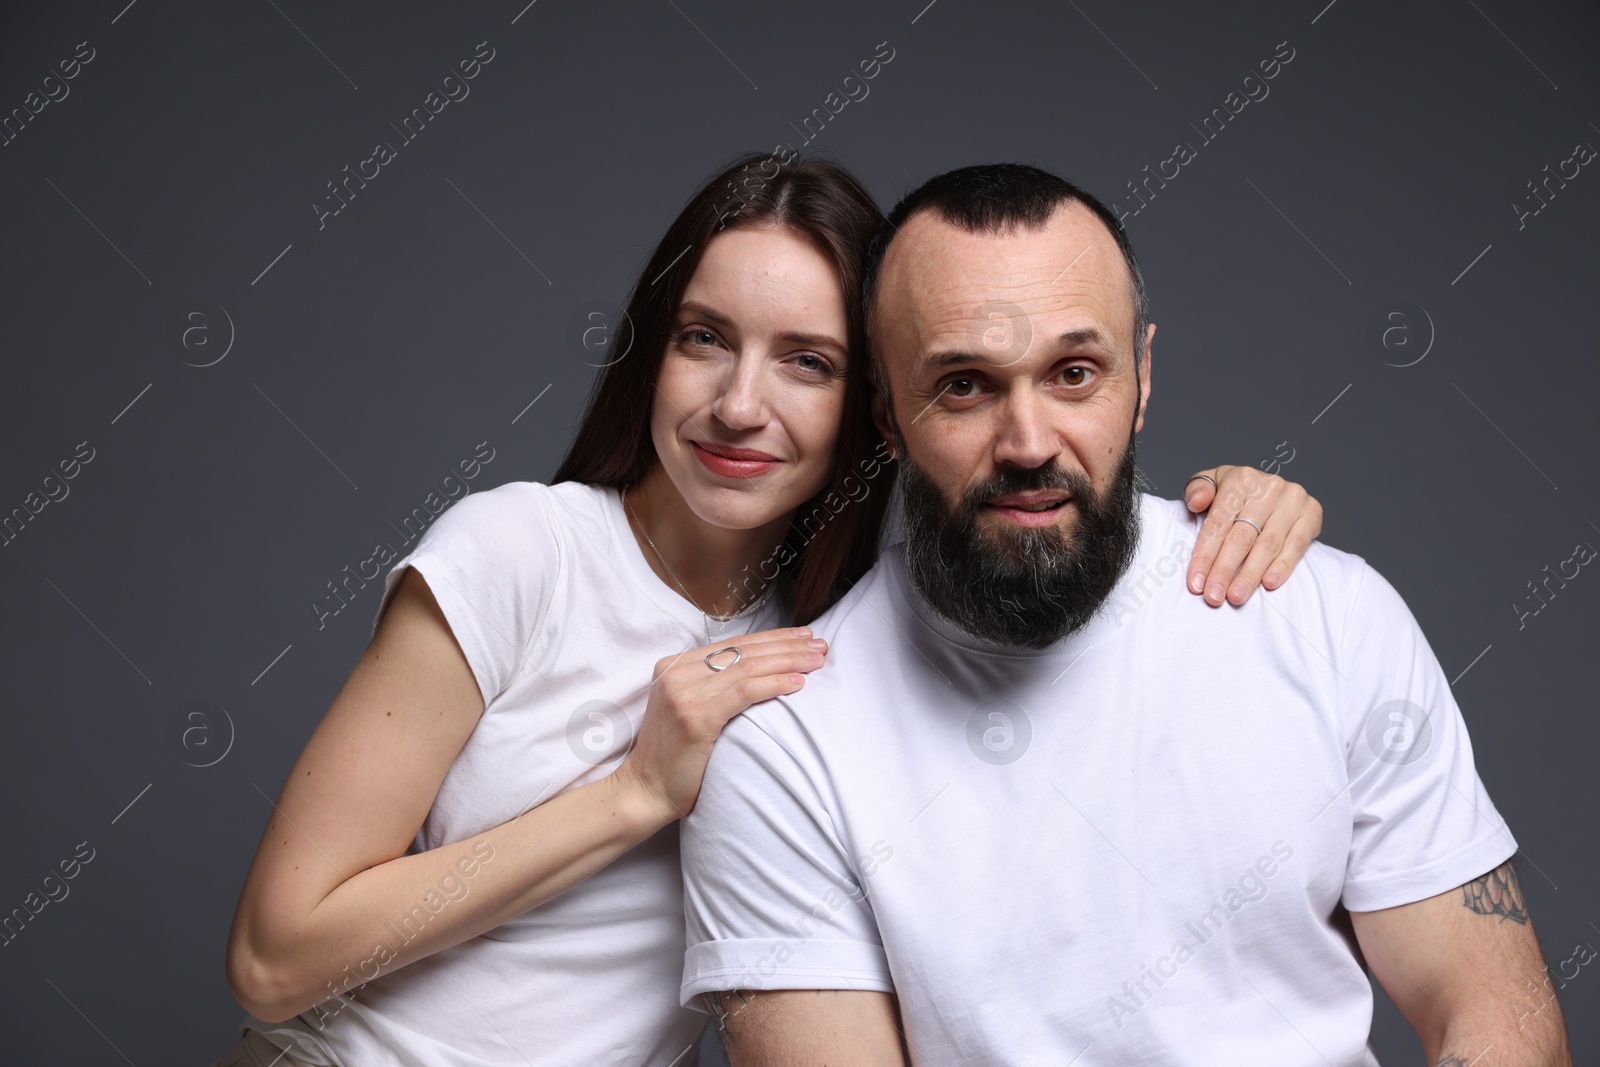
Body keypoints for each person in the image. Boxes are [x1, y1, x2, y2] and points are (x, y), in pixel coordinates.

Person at [216, 153, 1326, 1067]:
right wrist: (634, 794)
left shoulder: (842, 643)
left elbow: (1044, 509)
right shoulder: (521, 551)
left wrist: (1230, 504)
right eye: (705, 337)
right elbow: (275, 954)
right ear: (653, 349)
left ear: (879, 405)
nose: (738, 405)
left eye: (807, 360)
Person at [679, 163, 1572, 1066]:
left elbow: (1494, 1013)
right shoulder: (782, 744)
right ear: (886, 410)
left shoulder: (1328, 616)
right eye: (964, 385)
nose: (1029, 443)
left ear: (1141, 376)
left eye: (1074, 373)